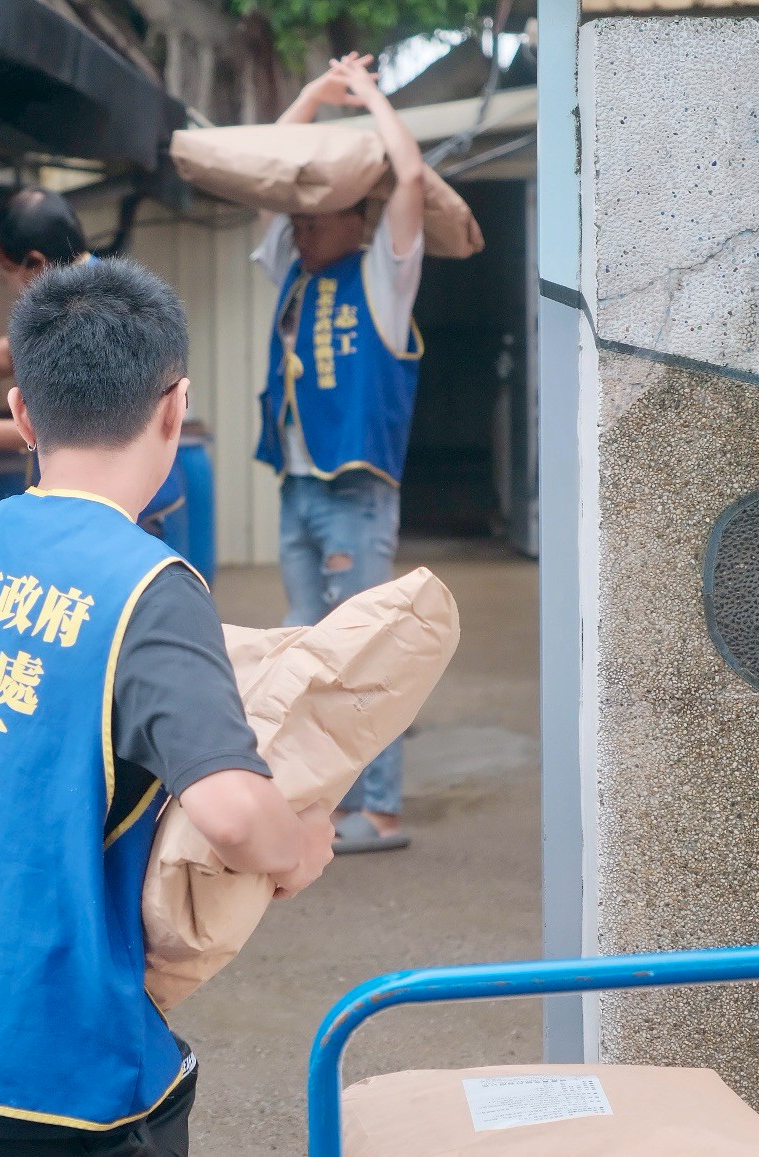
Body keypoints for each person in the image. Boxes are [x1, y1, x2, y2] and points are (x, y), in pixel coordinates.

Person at [0, 258, 334, 1157]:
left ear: (18, 412)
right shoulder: (147, 586)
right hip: (47, 1074)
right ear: (174, 407)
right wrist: (297, 849)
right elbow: (232, 810)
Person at [253, 53, 426, 855]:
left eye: (319, 216)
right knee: (305, 646)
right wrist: (310, 93)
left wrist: (368, 98)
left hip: (354, 492)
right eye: (301, 218)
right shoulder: (291, 270)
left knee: (360, 652)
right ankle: (326, 800)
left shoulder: (383, 279)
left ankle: (381, 810)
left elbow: (413, 181)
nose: (301, 224)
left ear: (358, 220)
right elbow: (268, 174)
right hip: (297, 485)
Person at [0, 187, 186, 539]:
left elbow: (68, 430)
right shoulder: (88, 289)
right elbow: (17, 351)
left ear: (36, 262)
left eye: (6, 268)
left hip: (124, 509)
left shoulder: (92, 315)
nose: (6, 280)